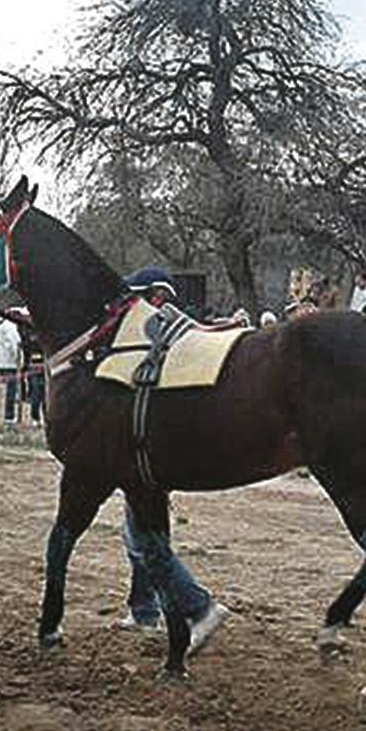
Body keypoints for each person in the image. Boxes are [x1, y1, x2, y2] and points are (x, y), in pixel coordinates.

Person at [116, 267, 227, 634]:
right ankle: (143, 609)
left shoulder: (163, 338)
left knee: (142, 539)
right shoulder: (167, 336)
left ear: (157, 298)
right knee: (139, 532)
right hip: (151, 455)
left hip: (153, 456)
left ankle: (197, 606)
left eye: (138, 297)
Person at [0, 311, 24, 423]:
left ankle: (7, 414)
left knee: (7, 390)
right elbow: (16, 344)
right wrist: (20, 361)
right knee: (11, 390)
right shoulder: (10, 327)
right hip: (9, 363)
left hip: (1, 361)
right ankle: (9, 415)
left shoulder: (1, 327)